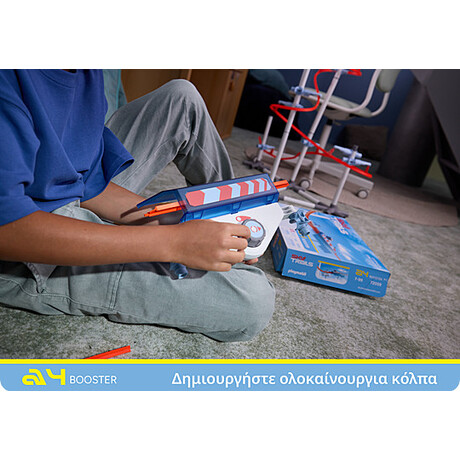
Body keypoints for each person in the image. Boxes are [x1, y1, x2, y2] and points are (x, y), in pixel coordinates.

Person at [0, 69, 275, 343]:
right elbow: (8, 229)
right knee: (253, 299)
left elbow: (86, 180)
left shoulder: (87, 71)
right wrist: (173, 242)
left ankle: (224, 222)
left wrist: (180, 219)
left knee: (182, 96)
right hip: (24, 247)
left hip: (59, 195)